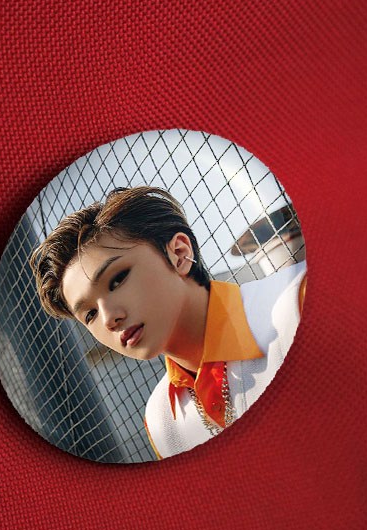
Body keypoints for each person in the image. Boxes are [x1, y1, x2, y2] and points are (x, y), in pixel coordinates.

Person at [29, 186, 306, 460]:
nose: (108, 318)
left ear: (179, 254)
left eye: (118, 279)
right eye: (90, 314)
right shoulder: (162, 420)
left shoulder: (296, 306)